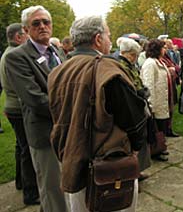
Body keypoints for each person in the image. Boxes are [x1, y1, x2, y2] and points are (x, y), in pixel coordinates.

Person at [48, 16, 147, 212]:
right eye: (108, 35)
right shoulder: (109, 69)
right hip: (108, 169)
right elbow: (134, 118)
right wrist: (136, 146)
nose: (110, 41)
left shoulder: (58, 71)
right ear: (98, 39)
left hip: (72, 160)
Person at [5, 5, 68, 212]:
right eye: (36, 23)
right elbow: (35, 99)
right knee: (52, 188)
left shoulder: (56, 51)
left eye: (46, 22)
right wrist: (72, 107)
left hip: (67, 129)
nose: (42, 26)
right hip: (44, 131)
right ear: (25, 29)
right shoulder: (17, 57)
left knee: (67, 184)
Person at [0, 23, 40, 205]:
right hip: (18, 108)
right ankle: (30, 193)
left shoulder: (8, 53)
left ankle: (21, 183)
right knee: (27, 150)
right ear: (18, 37)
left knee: (20, 147)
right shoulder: (15, 55)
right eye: (25, 34)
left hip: (12, 106)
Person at [118, 38, 151, 180]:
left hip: (138, 104)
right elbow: (128, 87)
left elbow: (137, 80)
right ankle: (131, 177)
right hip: (131, 108)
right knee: (132, 146)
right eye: (133, 55)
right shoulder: (121, 65)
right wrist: (140, 92)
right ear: (124, 53)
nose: (135, 58)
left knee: (140, 142)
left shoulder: (129, 64)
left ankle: (137, 172)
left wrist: (144, 90)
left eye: (136, 55)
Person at [140, 39, 170, 162]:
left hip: (161, 100)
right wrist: (150, 104)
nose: (165, 50)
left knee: (161, 127)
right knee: (155, 129)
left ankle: (160, 147)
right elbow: (148, 84)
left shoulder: (159, 61)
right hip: (155, 102)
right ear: (157, 49)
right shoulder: (150, 64)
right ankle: (155, 151)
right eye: (163, 48)